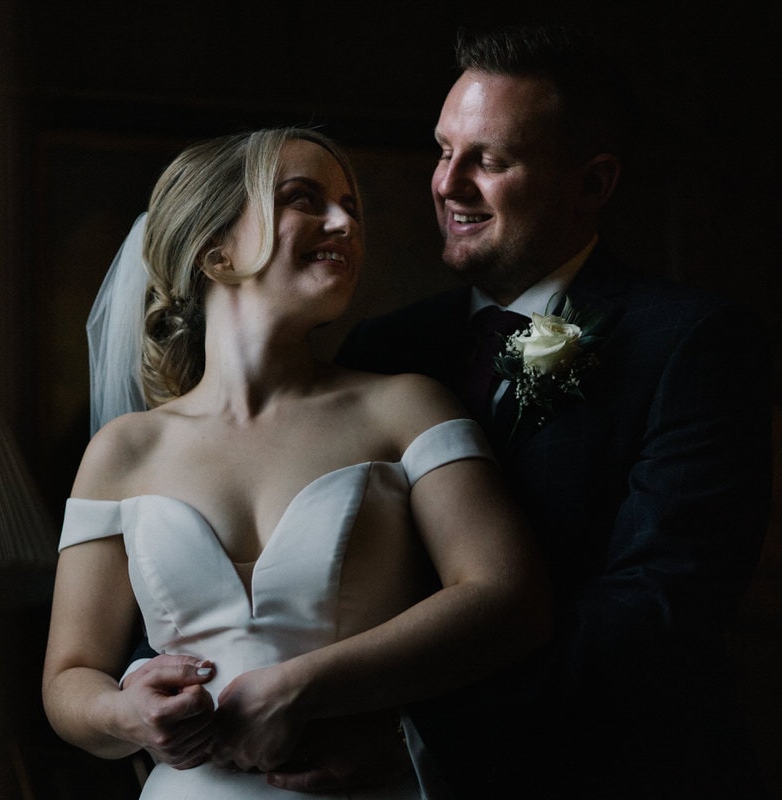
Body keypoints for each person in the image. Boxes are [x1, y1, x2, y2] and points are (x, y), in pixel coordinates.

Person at [41, 126, 552, 798]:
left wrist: (302, 688)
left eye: (351, 207)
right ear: (215, 250)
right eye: (303, 200)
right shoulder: (125, 450)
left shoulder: (405, 409)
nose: (344, 222)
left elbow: (507, 597)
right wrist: (127, 714)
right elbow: (69, 675)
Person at [333, 23, 774, 798]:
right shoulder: (383, 347)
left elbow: (660, 605)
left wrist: (413, 726)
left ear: (593, 183)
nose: (447, 184)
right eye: (444, 151)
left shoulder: (692, 342)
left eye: (490, 161)